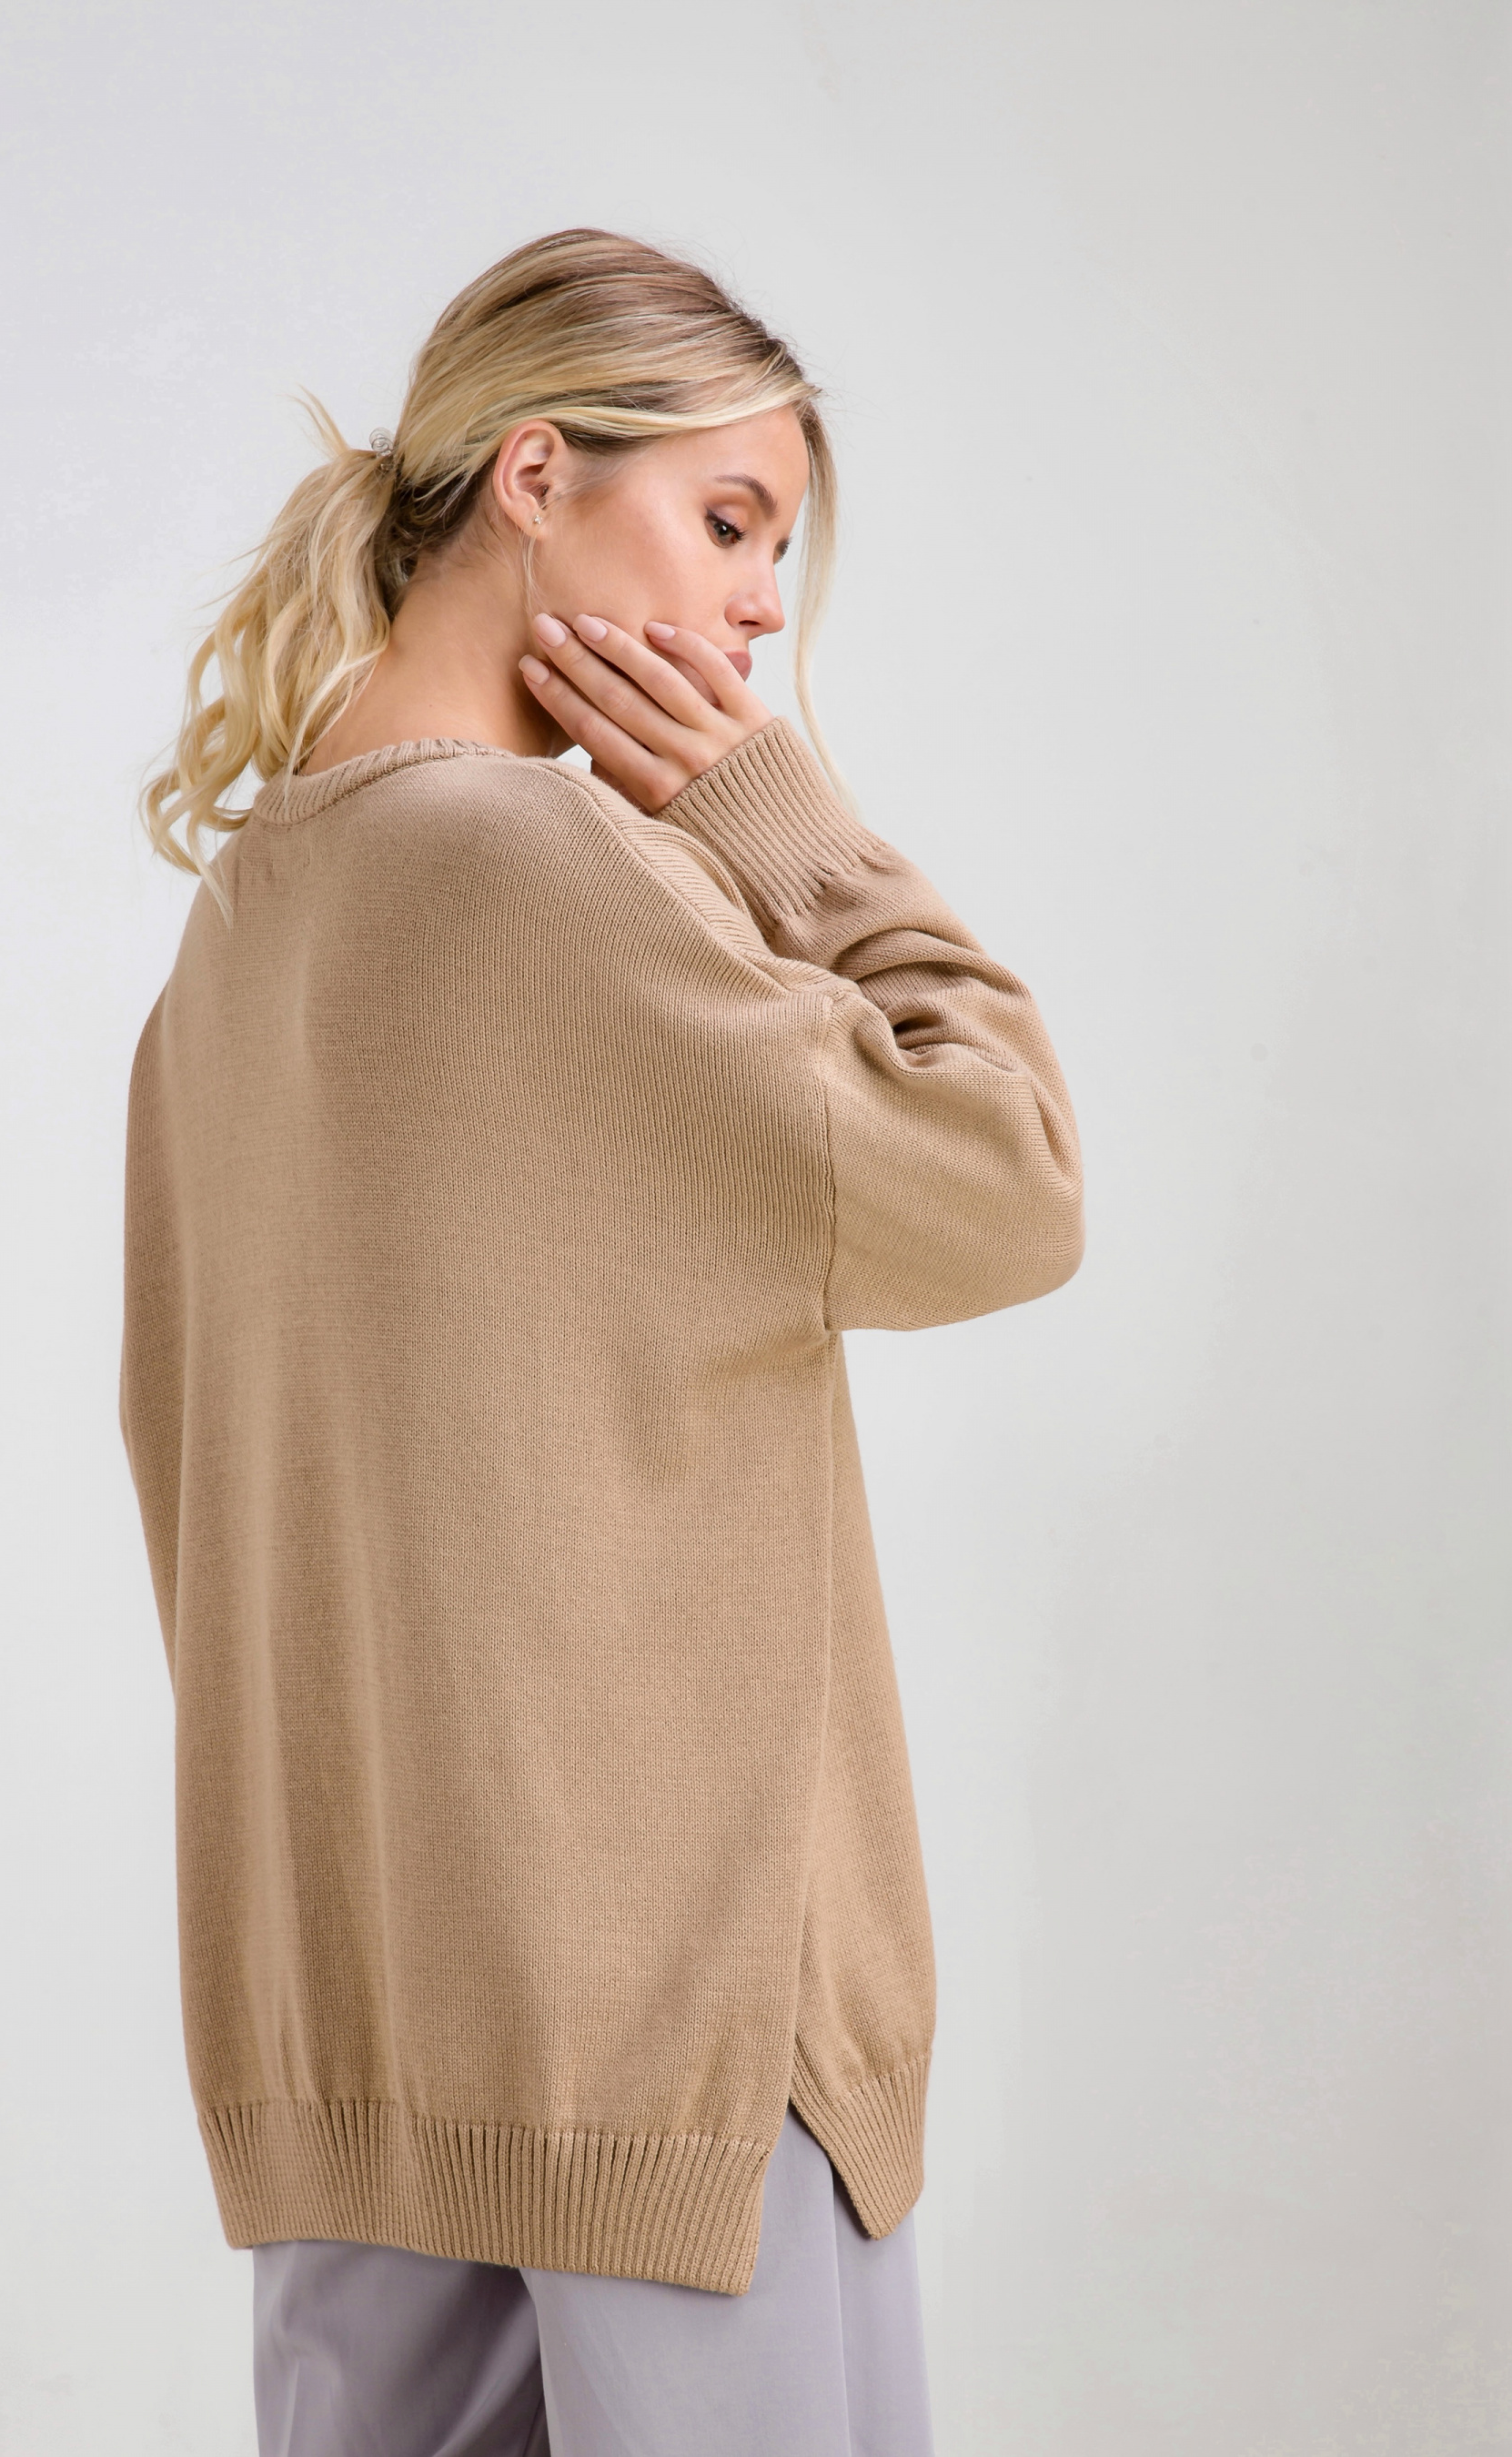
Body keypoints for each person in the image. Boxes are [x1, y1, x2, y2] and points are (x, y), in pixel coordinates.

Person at [120, 228, 1084, 2457]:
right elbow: (1005, 1175)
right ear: (537, 474)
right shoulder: (537, 874)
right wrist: (788, 836)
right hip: (670, 2039)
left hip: (366, 2029)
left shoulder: (244, 928)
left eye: (776, 553)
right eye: (729, 522)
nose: (758, 613)